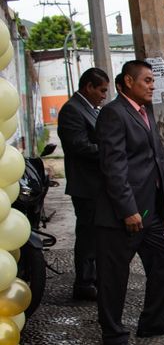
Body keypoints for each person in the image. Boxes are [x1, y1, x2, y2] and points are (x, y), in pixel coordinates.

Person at [94, 60, 164, 345]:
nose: (152, 85)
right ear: (128, 82)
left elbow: (159, 158)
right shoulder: (113, 114)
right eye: (146, 80)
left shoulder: (145, 113)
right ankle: (113, 334)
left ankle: (153, 321)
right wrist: (127, 209)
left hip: (150, 211)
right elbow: (113, 167)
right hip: (123, 215)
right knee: (114, 277)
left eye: (152, 80)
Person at [57, 67, 109, 301]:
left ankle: (94, 277)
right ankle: (85, 282)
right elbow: (79, 146)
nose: (104, 95)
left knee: (97, 234)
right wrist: (110, 151)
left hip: (96, 183)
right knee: (87, 234)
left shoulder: (90, 109)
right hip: (86, 185)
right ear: (88, 87)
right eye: (101, 90)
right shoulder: (72, 110)